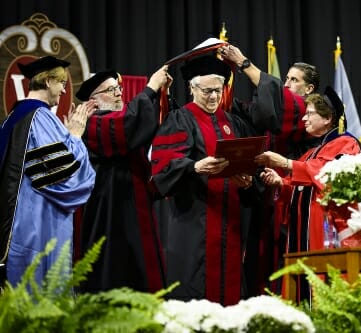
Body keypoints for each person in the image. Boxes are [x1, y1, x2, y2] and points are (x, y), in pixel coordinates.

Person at [149, 55, 258, 306]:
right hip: (194, 220)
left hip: (229, 221)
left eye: (217, 91)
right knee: (194, 290)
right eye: (207, 91)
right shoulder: (180, 119)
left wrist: (249, 182)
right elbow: (164, 164)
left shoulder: (234, 123)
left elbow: (251, 166)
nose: (213, 97)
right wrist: (194, 166)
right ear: (192, 88)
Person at [219, 44, 322, 296]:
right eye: (286, 78)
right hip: (264, 196)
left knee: (281, 260)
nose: (286, 84)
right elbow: (252, 113)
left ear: (309, 89)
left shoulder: (305, 112)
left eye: (294, 80)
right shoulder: (282, 110)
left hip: (290, 195)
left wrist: (243, 62)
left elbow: (276, 97)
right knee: (258, 258)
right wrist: (221, 88)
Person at [255, 87, 361, 302]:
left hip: (324, 228)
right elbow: (299, 185)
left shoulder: (346, 144)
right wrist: (280, 183)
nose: (304, 118)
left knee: (320, 288)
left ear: (328, 118)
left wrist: (285, 163)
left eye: (310, 113)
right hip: (300, 229)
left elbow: (326, 175)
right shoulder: (310, 152)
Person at [74, 64, 172, 293]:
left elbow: (146, 124)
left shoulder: (120, 117)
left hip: (135, 209)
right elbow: (127, 126)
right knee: (115, 273)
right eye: (110, 90)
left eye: (118, 88)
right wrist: (150, 89)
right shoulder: (93, 122)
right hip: (108, 212)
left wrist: (161, 94)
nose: (119, 93)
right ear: (93, 101)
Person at [0, 56, 96, 287]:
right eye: (61, 83)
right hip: (36, 224)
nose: (64, 91)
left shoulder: (12, 118)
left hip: (14, 222)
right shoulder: (40, 117)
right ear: (48, 82)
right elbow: (65, 179)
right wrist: (74, 135)